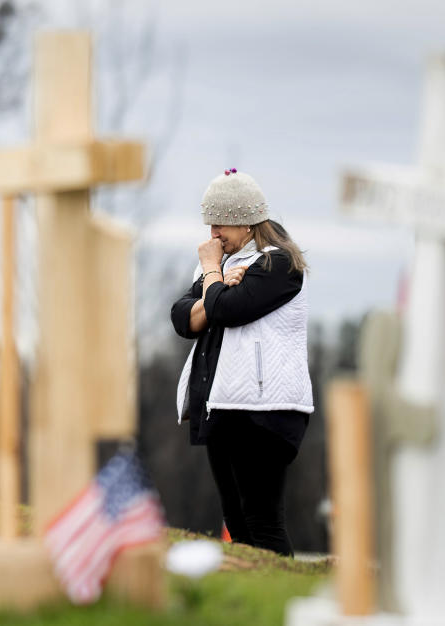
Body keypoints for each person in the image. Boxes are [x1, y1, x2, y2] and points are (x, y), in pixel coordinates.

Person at [170, 168, 313, 557]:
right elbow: (183, 317)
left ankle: (282, 599)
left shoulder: (278, 265)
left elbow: (229, 311)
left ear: (248, 223)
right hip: (222, 406)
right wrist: (215, 287)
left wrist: (214, 279)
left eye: (221, 224)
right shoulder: (220, 265)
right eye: (210, 223)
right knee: (237, 522)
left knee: (262, 521)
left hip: (265, 410)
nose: (213, 234)